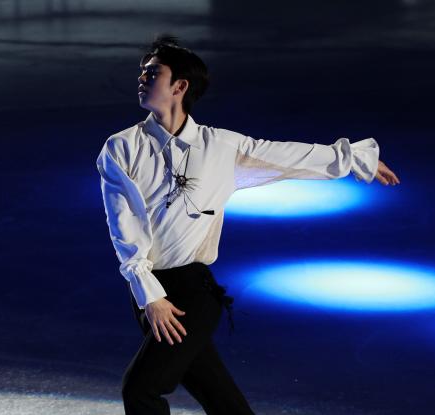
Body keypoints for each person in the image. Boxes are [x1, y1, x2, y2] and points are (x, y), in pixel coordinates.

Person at [96, 33, 400, 415]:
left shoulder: (220, 147)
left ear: (180, 86)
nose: (142, 77)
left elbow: (286, 156)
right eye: (142, 71)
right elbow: (124, 222)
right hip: (150, 293)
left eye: (153, 72)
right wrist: (149, 294)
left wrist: (354, 158)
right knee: (221, 399)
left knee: (141, 391)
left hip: (192, 293)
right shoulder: (122, 148)